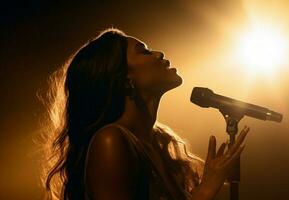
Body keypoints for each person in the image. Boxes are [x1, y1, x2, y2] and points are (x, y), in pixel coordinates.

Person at [40, 28, 249, 200]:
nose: (159, 54)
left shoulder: (156, 145)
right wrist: (205, 191)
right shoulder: (110, 141)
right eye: (144, 51)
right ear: (125, 79)